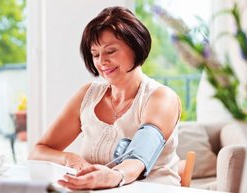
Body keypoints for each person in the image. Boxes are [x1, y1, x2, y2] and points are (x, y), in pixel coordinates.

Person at [29, 6, 181, 190]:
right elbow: (39, 151)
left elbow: (138, 158)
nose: (102, 61)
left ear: (135, 46)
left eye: (110, 51)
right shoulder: (88, 96)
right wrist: (70, 158)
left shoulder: (161, 98)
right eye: (95, 54)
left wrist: (115, 176)